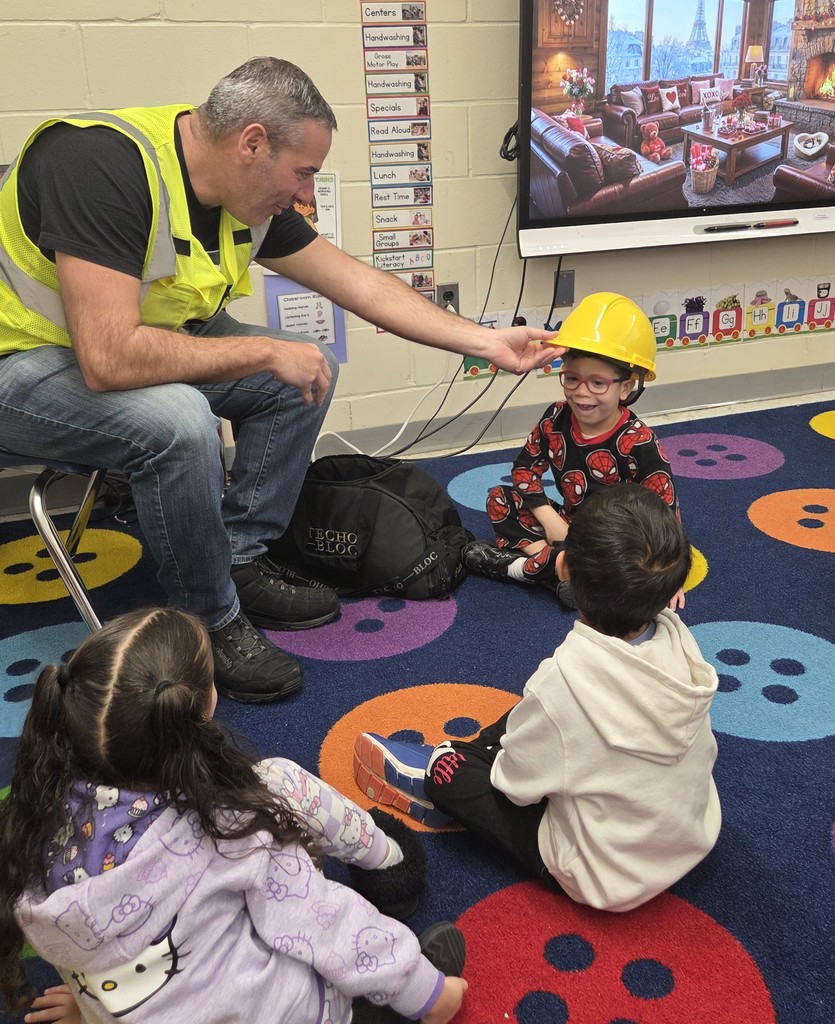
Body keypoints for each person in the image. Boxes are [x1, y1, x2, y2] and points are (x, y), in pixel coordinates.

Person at [0, 57, 560, 705]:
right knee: (180, 419)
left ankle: (236, 555)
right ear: (252, 143)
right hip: (20, 367)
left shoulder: (242, 197)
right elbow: (109, 359)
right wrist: (259, 351)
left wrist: (487, 341)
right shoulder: (100, 165)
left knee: (305, 364)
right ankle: (205, 619)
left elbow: (360, 285)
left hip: (125, 352)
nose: (304, 196)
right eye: (304, 175)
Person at [0, 607, 468, 1024]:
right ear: (198, 709)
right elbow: (324, 921)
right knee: (280, 783)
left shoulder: (36, 818)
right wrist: (425, 993)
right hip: (276, 1011)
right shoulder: (231, 824)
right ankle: (389, 869)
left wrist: (90, 1010)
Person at [353, 484, 721, 913]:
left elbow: (516, 788)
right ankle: (494, 749)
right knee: (531, 717)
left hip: (607, 874)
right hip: (690, 832)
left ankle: (437, 770)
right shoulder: (682, 644)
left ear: (562, 568)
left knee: (455, 774)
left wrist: (489, 761)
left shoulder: (563, 682)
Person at [462, 292, 684, 611]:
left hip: (616, 538)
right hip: (567, 525)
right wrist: (549, 520)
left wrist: (668, 575)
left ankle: (540, 569)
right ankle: (561, 570)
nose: (581, 392)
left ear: (626, 386)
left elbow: (666, 513)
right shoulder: (555, 417)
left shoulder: (640, 441)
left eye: (598, 383)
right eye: (572, 378)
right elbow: (525, 472)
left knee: (633, 563)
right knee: (499, 498)